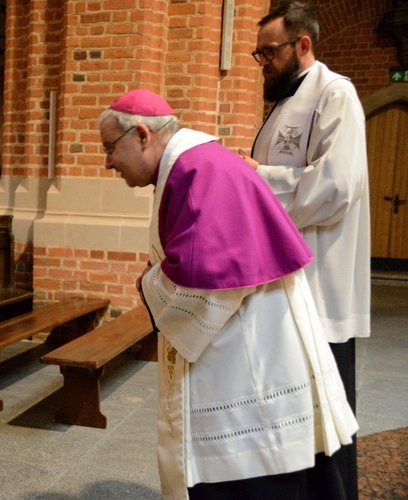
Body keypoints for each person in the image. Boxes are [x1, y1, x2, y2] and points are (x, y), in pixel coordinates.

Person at [99, 88, 358, 500]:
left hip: (250, 364)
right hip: (254, 346)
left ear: (143, 135)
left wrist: (149, 284)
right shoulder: (195, 163)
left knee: (254, 478)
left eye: (111, 147)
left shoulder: (198, 168)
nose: (108, 160)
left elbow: (207, 281)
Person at [240, 3, 369, 497]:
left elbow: (337, 187)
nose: (264, 62)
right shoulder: (284, 103)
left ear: (303, 45)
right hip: (288, 283)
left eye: (269, 52)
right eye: (259, 54)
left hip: (322, 287)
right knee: (298, 417)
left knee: (329, 422)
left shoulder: (336, 94)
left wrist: (258, 179)